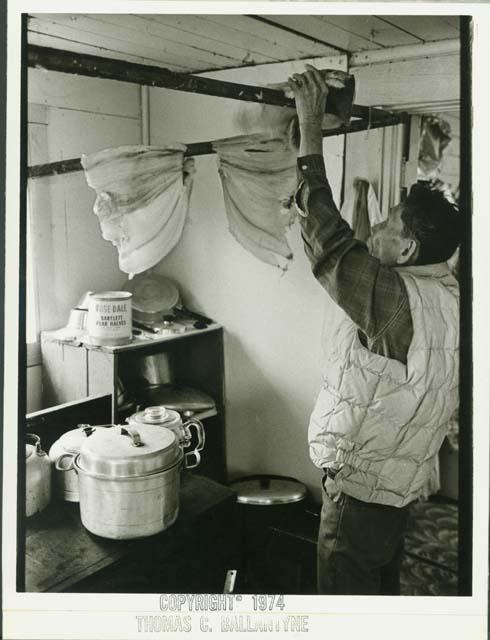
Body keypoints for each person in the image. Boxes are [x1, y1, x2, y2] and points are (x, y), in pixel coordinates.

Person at [287, 65, 460, 595]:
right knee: (380, 600)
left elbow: (329, 243)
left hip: (359, 500)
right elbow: (358, 252)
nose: (377, 231)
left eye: (387, 225)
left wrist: (310, 130)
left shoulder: (397, 300)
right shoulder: (450, 296)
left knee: (343, 611)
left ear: (407, 249)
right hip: (395, 493)